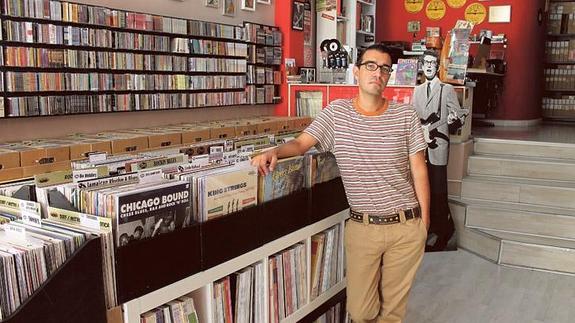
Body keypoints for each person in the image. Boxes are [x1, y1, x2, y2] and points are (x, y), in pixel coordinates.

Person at [252, 44, 430, 323]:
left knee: (393, 312)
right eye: (371, 65)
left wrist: (424, 224)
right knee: (360, 311)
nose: (378, 73)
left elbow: (419, 170)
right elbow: (300, 144)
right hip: (363, 227)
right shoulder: (336, 114)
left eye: (385, 68)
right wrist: (275, 151)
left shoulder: (405, 116)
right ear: (356, 72)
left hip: (406, 225)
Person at [413, 50, 469, 252]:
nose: (428, 66)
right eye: (425, 62)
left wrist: (455, 120)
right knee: (423, 188)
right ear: (422, 65)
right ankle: (428, 228)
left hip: (438, 145)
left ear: (437, 67)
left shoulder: (446, 90)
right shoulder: (417, 91)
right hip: (420, 146)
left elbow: (459, 117)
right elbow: (413, 118)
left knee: (438, 189)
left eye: (432, 63)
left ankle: (443, 230)